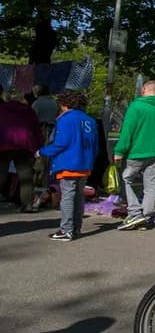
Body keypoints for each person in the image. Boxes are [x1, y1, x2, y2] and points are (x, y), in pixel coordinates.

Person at [38, 90, 99, 240]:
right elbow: (95, 145)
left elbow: (61, 143)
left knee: (67, 197)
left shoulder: (64, 120)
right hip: (85, 164)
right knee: (79, 197)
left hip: (69, 163)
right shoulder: (90, 120)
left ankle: (66, 229)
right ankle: (76, 228)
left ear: (63, 104)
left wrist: (42, 152)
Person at [115, 80, 155, 230]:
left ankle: (135, 213)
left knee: (126, 179)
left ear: (143, 90)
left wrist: (119, 150)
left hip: (137, 151)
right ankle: (147, 216)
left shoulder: (136, 106)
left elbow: (127, 130)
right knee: (151, 185)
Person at [0, 91, 44, 211]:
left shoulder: (2, 108)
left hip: (4, 143)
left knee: (1, 174)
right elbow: (36, 129)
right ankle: (27, 204)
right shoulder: (28, 110)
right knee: (26, 176)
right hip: (25, 144)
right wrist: (39, 146)